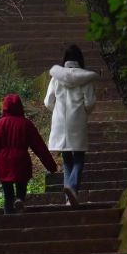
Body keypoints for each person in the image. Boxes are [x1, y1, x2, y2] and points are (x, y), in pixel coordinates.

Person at [44, 45, 98, 206]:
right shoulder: (85, 79)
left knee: (67, 160)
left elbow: (47, 102)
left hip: (60, 122)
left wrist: (57, 111)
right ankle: (72, 188)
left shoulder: (56, 78)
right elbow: (90, 102)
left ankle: (69, 198)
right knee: (79, 159)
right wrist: (84, 113)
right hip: (78, 121)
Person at [0, 94, 57, 214]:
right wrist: (51, 166)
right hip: (21, 162)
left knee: (8, 195)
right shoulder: (26, 124)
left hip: (4, 163)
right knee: (21, 190)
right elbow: (39, 147)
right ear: (20, 107)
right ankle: (20, 201)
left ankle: (8, 221)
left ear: (4, 107)